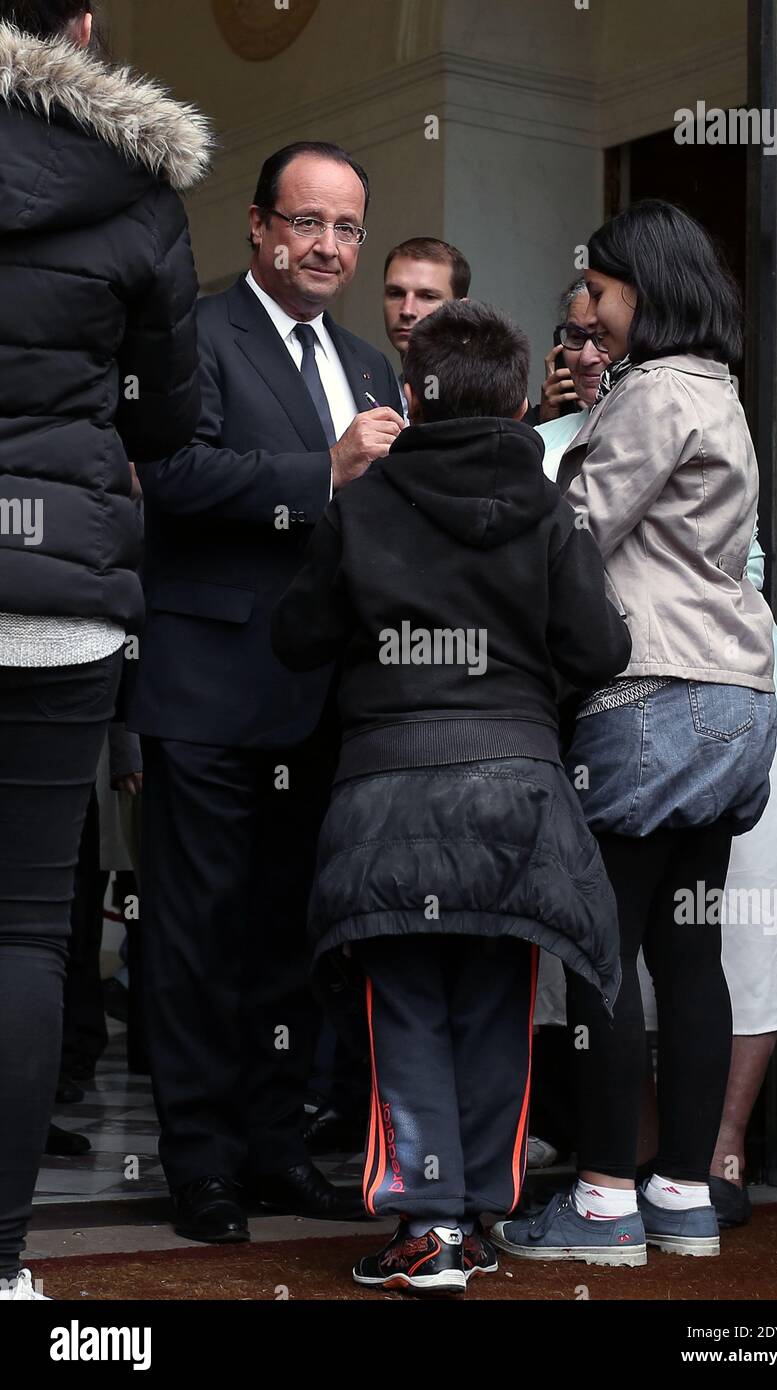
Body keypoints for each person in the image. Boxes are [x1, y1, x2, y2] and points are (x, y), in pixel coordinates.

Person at [272, 299, 631, 1296]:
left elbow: (295, 638)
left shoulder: (365, 509)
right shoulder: (548, 509)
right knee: (491, 1004)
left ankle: (425, 1226)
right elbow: (602, 648)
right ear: (516, 399)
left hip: (387, 792)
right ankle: (473, 1217)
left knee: (405, 1012)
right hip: (516, 794)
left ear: (405, 398)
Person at [129, 141, 405, 1243]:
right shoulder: (195, 332)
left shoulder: (371, 366)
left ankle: (278, 1148)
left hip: (326, 699)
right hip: (207, 688)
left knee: (295, 939)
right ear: (256, 226)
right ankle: (198, 1164)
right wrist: (321, 473)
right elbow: (170, 477)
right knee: (197, 937)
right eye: (306, 222)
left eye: (345, 227)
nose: (326, 245)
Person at [494, 200, 777, 1267]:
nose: (590, 317)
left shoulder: (651, 392)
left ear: (640, 293)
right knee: (688, 955)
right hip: (732, 699)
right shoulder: (720, 393)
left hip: (649, 694)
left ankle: (605, 1199)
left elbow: (575, 539)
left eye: (601, 295)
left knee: (601, 954)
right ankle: (682, 1194)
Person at [0, 1, 209, 1300]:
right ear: (83, 26)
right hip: (58, 599)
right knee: (26, 929)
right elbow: (168, 417)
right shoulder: (137, 188)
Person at [637, 526, 777, 1225]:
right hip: (616, 709)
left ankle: (722, 1152)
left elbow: (746, 561)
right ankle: (640, 1150)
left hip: (739, 697)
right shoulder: (552, 446)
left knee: (751, 930)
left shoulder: (696, 417)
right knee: (622, 946)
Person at [382, 237, 471, 416]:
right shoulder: (374, 391)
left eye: (428, 296)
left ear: (461, 311)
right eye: (396, 293)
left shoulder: (487, 395)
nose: (407, 310)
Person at [525, 279, 610, 428]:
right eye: (576, 337)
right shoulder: (544, 427)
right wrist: (548, 424)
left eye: (603, 337)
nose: (585, 358)